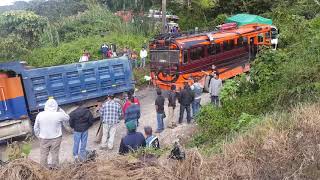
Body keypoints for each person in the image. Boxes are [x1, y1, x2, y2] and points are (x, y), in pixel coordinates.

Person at [33, 98, 70, 168]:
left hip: (43, 138)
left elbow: (35, 128)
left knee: (43, 155)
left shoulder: (40, 115)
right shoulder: (58, 114)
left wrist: (39, 136)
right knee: (55, 154)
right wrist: (59, 109)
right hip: (56, 138)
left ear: (46, 105)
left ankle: (43, 170)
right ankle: (55, 169)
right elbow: (67, 117)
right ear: (56, 106)